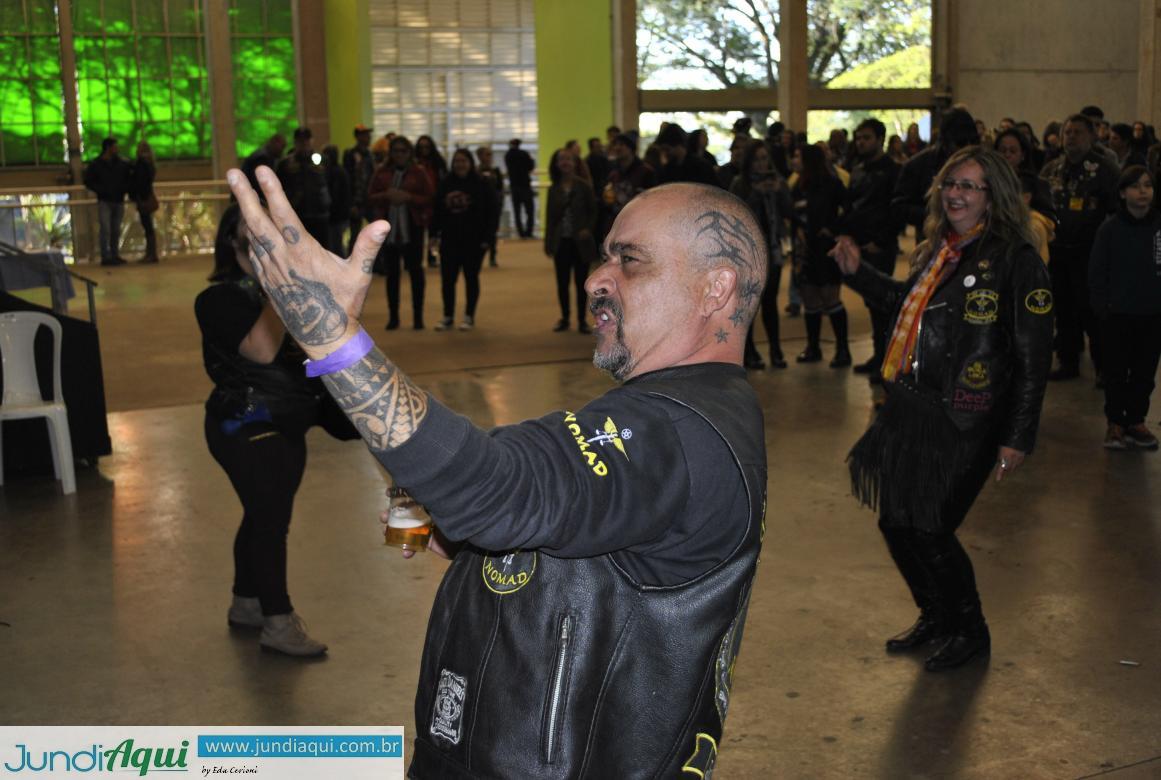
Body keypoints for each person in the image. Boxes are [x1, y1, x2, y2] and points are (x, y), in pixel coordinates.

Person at [226, 163, 768, 775]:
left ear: (715, 289)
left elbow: (496, 487)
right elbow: (574, 533)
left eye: (630, 261)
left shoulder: (676, 431)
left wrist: (332, 338)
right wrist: (460, 536)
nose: (596, 278)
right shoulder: (666, 411)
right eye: (603, 257)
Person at [834, 146, 1053, 672]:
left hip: (968, 417)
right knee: (896, 522)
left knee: (930, 527)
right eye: (951, 183)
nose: (955, 193)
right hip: (912, 407)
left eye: (970, 186)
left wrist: (1018, 436)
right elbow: (902, 304)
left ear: (993, 196)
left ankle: (970, 630)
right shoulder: (940, 251)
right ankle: (936, 615)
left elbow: (1033, 357)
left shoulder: (1016, 261)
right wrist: (858, 272)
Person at [195, 204, 358, 657]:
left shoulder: (293, 292)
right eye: (251, 232)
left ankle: (246, 602)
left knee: (262, 513)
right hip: (243, 424)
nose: (262, 239)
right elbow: (262, 351)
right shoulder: (218, 299)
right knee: (270, 521)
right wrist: (280, 285)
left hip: (291, 420)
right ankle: (278, 624)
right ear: (232, 241)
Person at [1040, 113, 1120, 381]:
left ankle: (1103, 367)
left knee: (1093, 311)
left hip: (1091, 253)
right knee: (1063, 310)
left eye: (1077, 132)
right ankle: (1068, 362)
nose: (1071, 137)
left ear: (1092, 136)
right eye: (1067, 132)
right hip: (1059, 252)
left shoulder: (1106, 170)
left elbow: (1115, 211)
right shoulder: (1052, 169)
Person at [1089, 166, 1161, 450]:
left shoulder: (1158, 227)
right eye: (1135, 186)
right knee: (1116, 371)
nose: (1143, 191)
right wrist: (1101, 307)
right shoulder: (1110, 229)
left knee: (1145, 371)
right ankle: (1116, 422)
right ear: (1122, 192)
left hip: (1153, 314)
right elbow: (1097, 271)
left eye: (1148, 185)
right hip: (1117, 314)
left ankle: (1136, 420)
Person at [844, 119, 901, 379]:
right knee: (870, 304)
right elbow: (852, 207)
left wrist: (880, 240)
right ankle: (879, 355)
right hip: (860, 244)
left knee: (884, 303)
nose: (861, 143)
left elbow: (894, 209)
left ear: (880, 139)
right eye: (859, 138)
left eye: (866, 138)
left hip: (881, 245)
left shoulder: (893, 170)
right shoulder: (857, 170)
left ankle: (887, 359)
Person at [730, 139, 790, 369]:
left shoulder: (777, 181)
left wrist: (779, 192)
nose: (761, 164)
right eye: (756, 159)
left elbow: (789, 211)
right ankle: (749, 351)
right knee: (748, 303)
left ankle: (776, 349)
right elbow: (736, 215)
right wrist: (756, 194)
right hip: (746, 252)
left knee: (770, 302)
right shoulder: (740, 183)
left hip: (772, 249)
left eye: (765, 158)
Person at [790, 144, 851, 366]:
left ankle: (843, 350)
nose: (794, 160)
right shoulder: (797, 185)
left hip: (826, 249)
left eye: (798, 156)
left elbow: (850, 208)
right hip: (805, 249)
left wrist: (833, 229)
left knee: (830, 298)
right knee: (810, 299)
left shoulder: (832, 184)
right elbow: (793, 214)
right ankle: (813, 348)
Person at [368, 135, 434, 330]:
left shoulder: (418, 172)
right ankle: (394, 317)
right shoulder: (381, 172)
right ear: (391, 153)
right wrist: (386, 195)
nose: (399, 155)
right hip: (388, 230)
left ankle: (418, 317)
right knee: (392, 274)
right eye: (395, 151)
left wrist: (408, 197)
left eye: (403, 151)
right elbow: (369, 197)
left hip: (413, 227)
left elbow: (429, 198)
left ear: (409, 152)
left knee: (415, 272)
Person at [433, 149, 493, 331]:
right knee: (447, 280)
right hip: (449, 240)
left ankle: (469, 316)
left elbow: (492, 213)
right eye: (457, 161)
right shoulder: (445, 183)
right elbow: (437, 211)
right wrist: (434, 234)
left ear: (470, 163)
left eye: (464, 161)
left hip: (474, 241)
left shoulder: (482, 183)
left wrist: (488, 238)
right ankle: (448, 315)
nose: (460, 164)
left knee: (471, 278)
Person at [545, 148, 598, 334]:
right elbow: (550, 218)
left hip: (580, 242)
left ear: (575, 163)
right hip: (561, 241)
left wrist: (587, 229)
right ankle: (565, 317)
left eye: (568, 159)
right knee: (562, 282)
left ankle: (582, 319)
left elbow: (594, 211)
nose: (565, 162)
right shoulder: (554, 188)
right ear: (557, 164)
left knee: (581, 282)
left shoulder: (584, 186)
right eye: (562, 159)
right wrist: (548, 243)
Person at [275, 127, 331, 245]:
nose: (304, 143)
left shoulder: (322, 160)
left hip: (319, 213)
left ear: (312, 140)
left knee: (322, 248)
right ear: (295, 142)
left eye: (306, 140)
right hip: (296, 213)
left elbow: (331, 183)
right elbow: (279, 188)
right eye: (300, 141)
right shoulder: (286, 164)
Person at [83, 137, 132, 266]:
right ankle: (106, 256)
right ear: (108, 148)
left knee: (115, 229)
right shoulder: (97, 165)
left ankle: (114, 254)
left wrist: (123, 189)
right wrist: (101, 190)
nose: (117, 149)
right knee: (106, 229)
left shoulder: (121, 164)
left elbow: (128, 178)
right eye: (115, 147)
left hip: (117, 199)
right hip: (105, 200)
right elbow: (88, 181)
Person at [599, 132, 657, 241]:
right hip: (617, 224)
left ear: (631, 148)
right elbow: (607, 200)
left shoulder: (646, 171)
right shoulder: (613, 173)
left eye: (621, 145)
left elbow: (653, 201)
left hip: (639, 224)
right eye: (615, 145)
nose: (617, 148)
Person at [343, 124, 376, 255]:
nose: (368, 137)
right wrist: (351, 203)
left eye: (368, 134)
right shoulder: (350, 154)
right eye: (364, 134)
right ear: (357, 137)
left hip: (370, 200)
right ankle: (351, 262)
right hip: (357, 201)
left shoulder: (370, 154)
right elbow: (348, 180)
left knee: (375, 231)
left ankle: (377, 263)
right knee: (355, 234)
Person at [129, 140, 159, 264]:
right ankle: (152, 253)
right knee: (149, 226)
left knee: (147, 226)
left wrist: (138, 197)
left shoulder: (141, 165)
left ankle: (151, 254)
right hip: (146, 196)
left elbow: (139, 182)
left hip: (143, 198)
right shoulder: (150, 164)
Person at [475, 145, 504, 267]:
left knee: (493, 231)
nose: (489, 157)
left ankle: (493, 256)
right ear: (479, 156)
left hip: (494, 205)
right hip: (480, 206)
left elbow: (500, 188)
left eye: (490, 154)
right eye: (487, 154)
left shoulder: (496, 171)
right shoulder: (475, 172)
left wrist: (500, 202)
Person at [505, 138, 536, 238]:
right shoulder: (524, 154)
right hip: (525, 186)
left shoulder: (507, 155)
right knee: (530, 211)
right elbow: (531, 167)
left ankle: (521, 233)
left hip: (514, 186)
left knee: (517, 211)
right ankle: (529, 232)